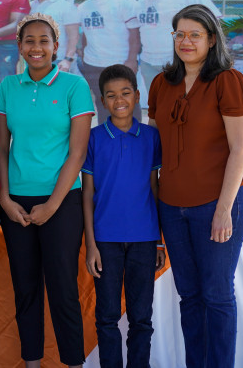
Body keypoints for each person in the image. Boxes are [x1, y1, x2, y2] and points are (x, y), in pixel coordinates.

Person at [148, 4, 243, 368]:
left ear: (211, 39)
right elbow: (155, 148)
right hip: (172, 206)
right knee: (189, 296)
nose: (186, 41)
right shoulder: (161, 83)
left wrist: (224, 210)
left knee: (217, 294)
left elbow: (241, 148)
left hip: (217, 203)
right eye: (179, 34)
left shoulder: (227, 80)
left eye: (195, 34)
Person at [0, 13, 94, 368]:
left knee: (63, 289)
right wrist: (4, 198)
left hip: (62, 201)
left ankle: (73, 363)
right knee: (26, 290)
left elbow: (78, 152)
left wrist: (52, 205)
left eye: (44, 41)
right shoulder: (8, 87)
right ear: (19, 46)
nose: (37, 48)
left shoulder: (74, 86)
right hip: (16, 204)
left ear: (55, 46)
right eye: (29, 41)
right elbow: (2, 147)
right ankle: (32, 363)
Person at [81, 64, 164, 368]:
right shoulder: (94, 139)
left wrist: (159, 241)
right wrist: (91, 245)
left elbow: (156, 189)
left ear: (137, 95)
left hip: (144, 240)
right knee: (106, 318)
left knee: (142, 317)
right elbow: (87, 194)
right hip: (105, 242)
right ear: (102, 101)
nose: (119, 100)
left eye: (125, 93)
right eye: (111, 95)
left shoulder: (152, 137)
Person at [137, 0, 221, 90]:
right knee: (158, 102)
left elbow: (216, 23)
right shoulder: (141, 2)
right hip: (149, 63)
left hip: (180, 62)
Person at [77, 0, 141, 122]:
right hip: (94, 63)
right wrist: (84, 54)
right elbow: (86, 33)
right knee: (103, 102)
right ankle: (107, 136)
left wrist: (131, 60)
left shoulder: (123, 2)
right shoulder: (82, 7)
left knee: (128, 101)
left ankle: (135, 136)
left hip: (120, 62)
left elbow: (134, 34)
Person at [29, 0, 80, 73]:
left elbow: (74, 37)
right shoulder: (31, 6)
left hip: (57, 59)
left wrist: (68, 59)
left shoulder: (66, 7)